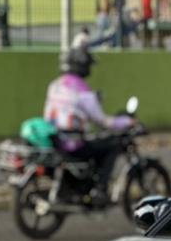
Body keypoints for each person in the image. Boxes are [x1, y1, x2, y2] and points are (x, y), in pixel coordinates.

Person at [43, 45, 134, 202]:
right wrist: (127, 121)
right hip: (72, 143)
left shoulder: (55, 85)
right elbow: (103, 121)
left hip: (55, 139)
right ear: (81, 65)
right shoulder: (82, 90)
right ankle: (100, 189)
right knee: (112, 146)